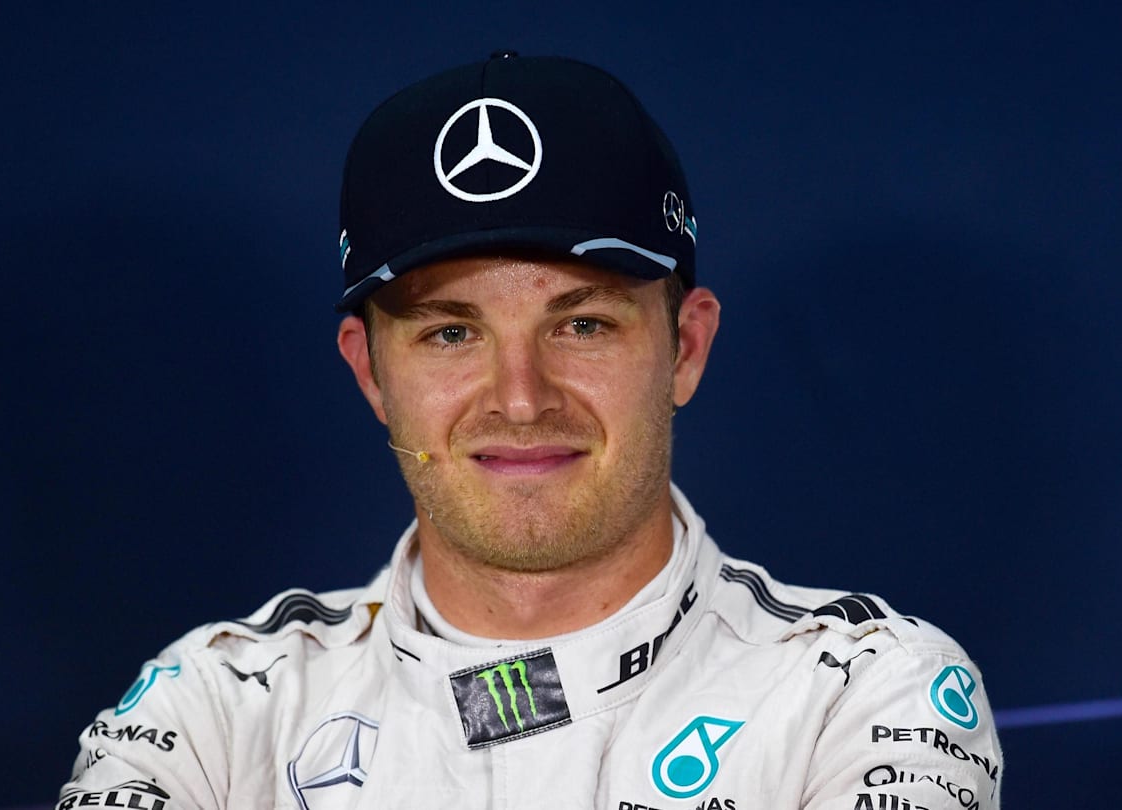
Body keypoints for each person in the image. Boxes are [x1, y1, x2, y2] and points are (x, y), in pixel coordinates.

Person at [59, 53, 1003, 810]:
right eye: (451, 332)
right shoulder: (212, 709)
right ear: (369, 371)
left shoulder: (868, 693)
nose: (519, 398)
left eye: (583, 323)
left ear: (685, 348)